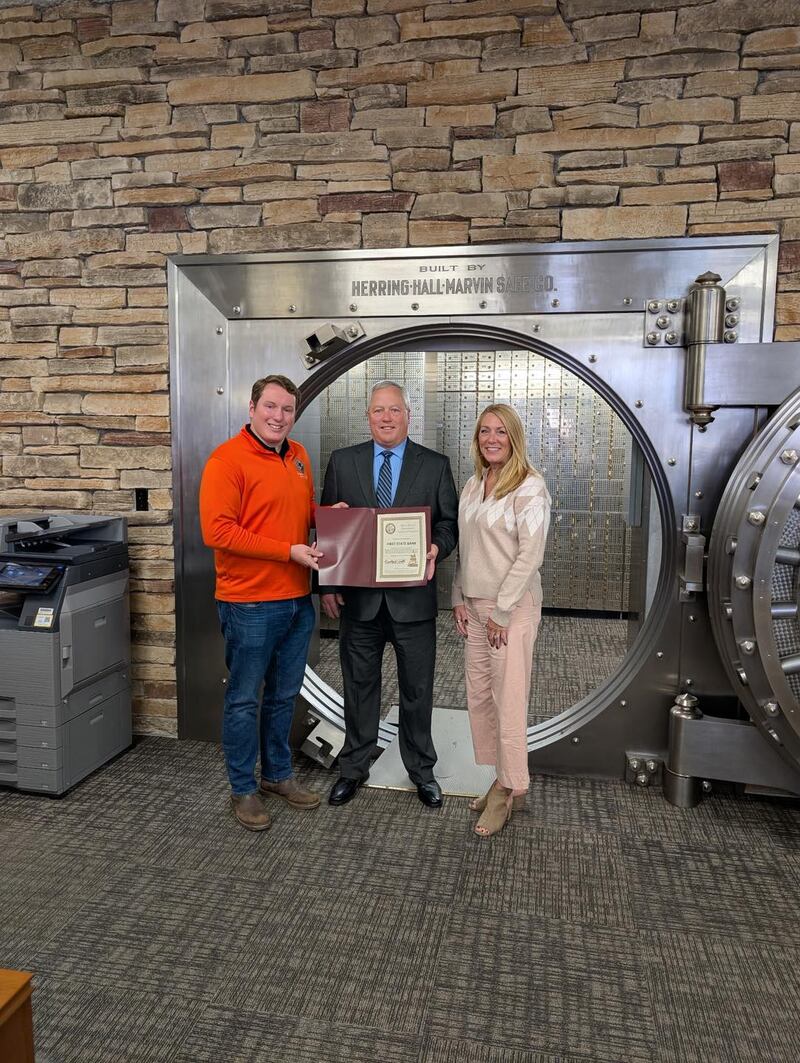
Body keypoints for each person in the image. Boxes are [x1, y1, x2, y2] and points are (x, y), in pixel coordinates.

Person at [320, 380, 458, 809]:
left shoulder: (434, 465)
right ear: (368, 416)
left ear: (407, 415)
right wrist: (326, 584)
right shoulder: (343, 462)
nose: (385, 418)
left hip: (412, 600)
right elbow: (328, 529)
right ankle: (353, 768)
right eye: (378, 410)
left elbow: (449, 523)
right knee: (359, 687)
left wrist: (436, 547)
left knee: (416, 690)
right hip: (358, 601)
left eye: (394, 410)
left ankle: (422, 771)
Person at [199, 374, 322, 831]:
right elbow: (219, 531)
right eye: (270, 407)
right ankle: (243, 789)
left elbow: (301, 510)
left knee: (284, 696)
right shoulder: (226, 460)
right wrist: (286, 550)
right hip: (249, 603)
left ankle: (276, 776)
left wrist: (332, 518)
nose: (278, 417)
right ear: (251, 409)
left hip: (296, 600)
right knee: (245, 699)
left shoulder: (300, 457)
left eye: (287, 409)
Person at [452, 403, 551, 837]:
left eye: (501, 432)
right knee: (481, 698)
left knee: (508, 701)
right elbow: (467, 546)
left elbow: (530, 555)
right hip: (475, 608)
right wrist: (458, 595)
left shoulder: (530, 487)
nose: (492, 438)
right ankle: (501, 777)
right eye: (485, 431)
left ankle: (508, 790)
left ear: (515, 438)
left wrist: (503, 610)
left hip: (508, 611)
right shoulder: (475, 484)